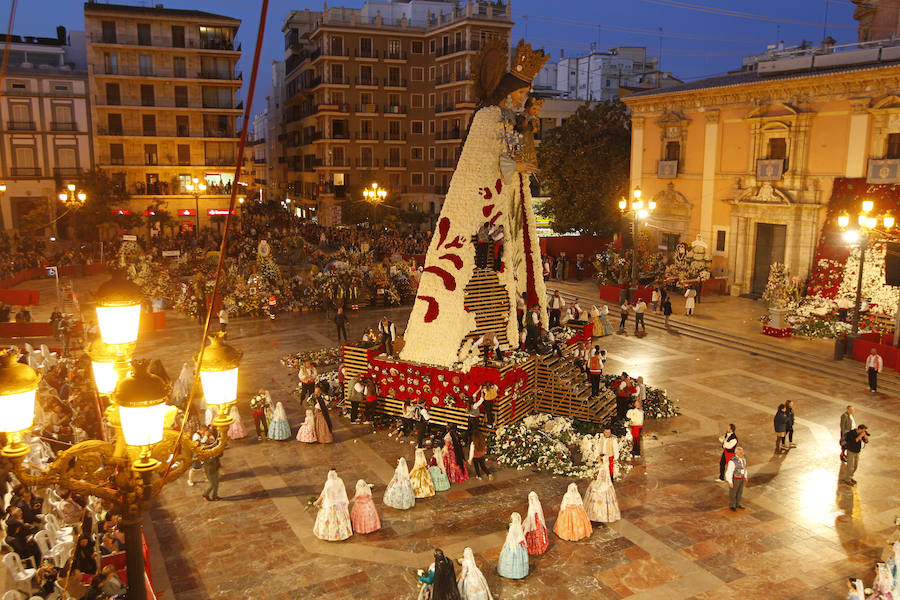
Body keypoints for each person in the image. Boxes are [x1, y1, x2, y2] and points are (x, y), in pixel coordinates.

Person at [312, 470, 352, 541]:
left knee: (328, 520)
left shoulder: (328, 483)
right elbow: (342, 492)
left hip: (329, 505)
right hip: (339, 504)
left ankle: (329, 535)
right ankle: (342, 534)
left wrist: (317, 502)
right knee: (340, 519)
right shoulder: (339, 481)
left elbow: (323, 493)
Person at [497, 512, 529, 579]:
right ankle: (520, 573)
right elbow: (521, 536)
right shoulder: (519, 527)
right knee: (519, 559)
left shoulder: (511, 527)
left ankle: (508, 572)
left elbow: (509, 537)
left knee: (509, 557)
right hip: (519, 545)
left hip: (512, 545)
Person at [523, 491, 549, 555]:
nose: (532, 499)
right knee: (532, 534)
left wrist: (541, 523)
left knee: (537, 534)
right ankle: (533, 547)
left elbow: (540, 514)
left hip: (537, 521)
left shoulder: (537, 504)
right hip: (532, 520)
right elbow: (530, 514)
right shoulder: (531, 505)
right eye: (531, 498)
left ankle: (538, 548)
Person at [725, 446, 747, 511]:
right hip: (735, 479)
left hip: (741, 478)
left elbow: (745, 468)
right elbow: (729, 472)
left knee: (740, 492)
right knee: (733, 493)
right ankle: (732, 505)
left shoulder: (743, 459)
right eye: (741, 453)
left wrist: (745, 476)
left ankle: (738, 503)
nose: (742, 454)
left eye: (742, 452)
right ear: (736, 453)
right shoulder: (732, 461)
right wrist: (730, 481)